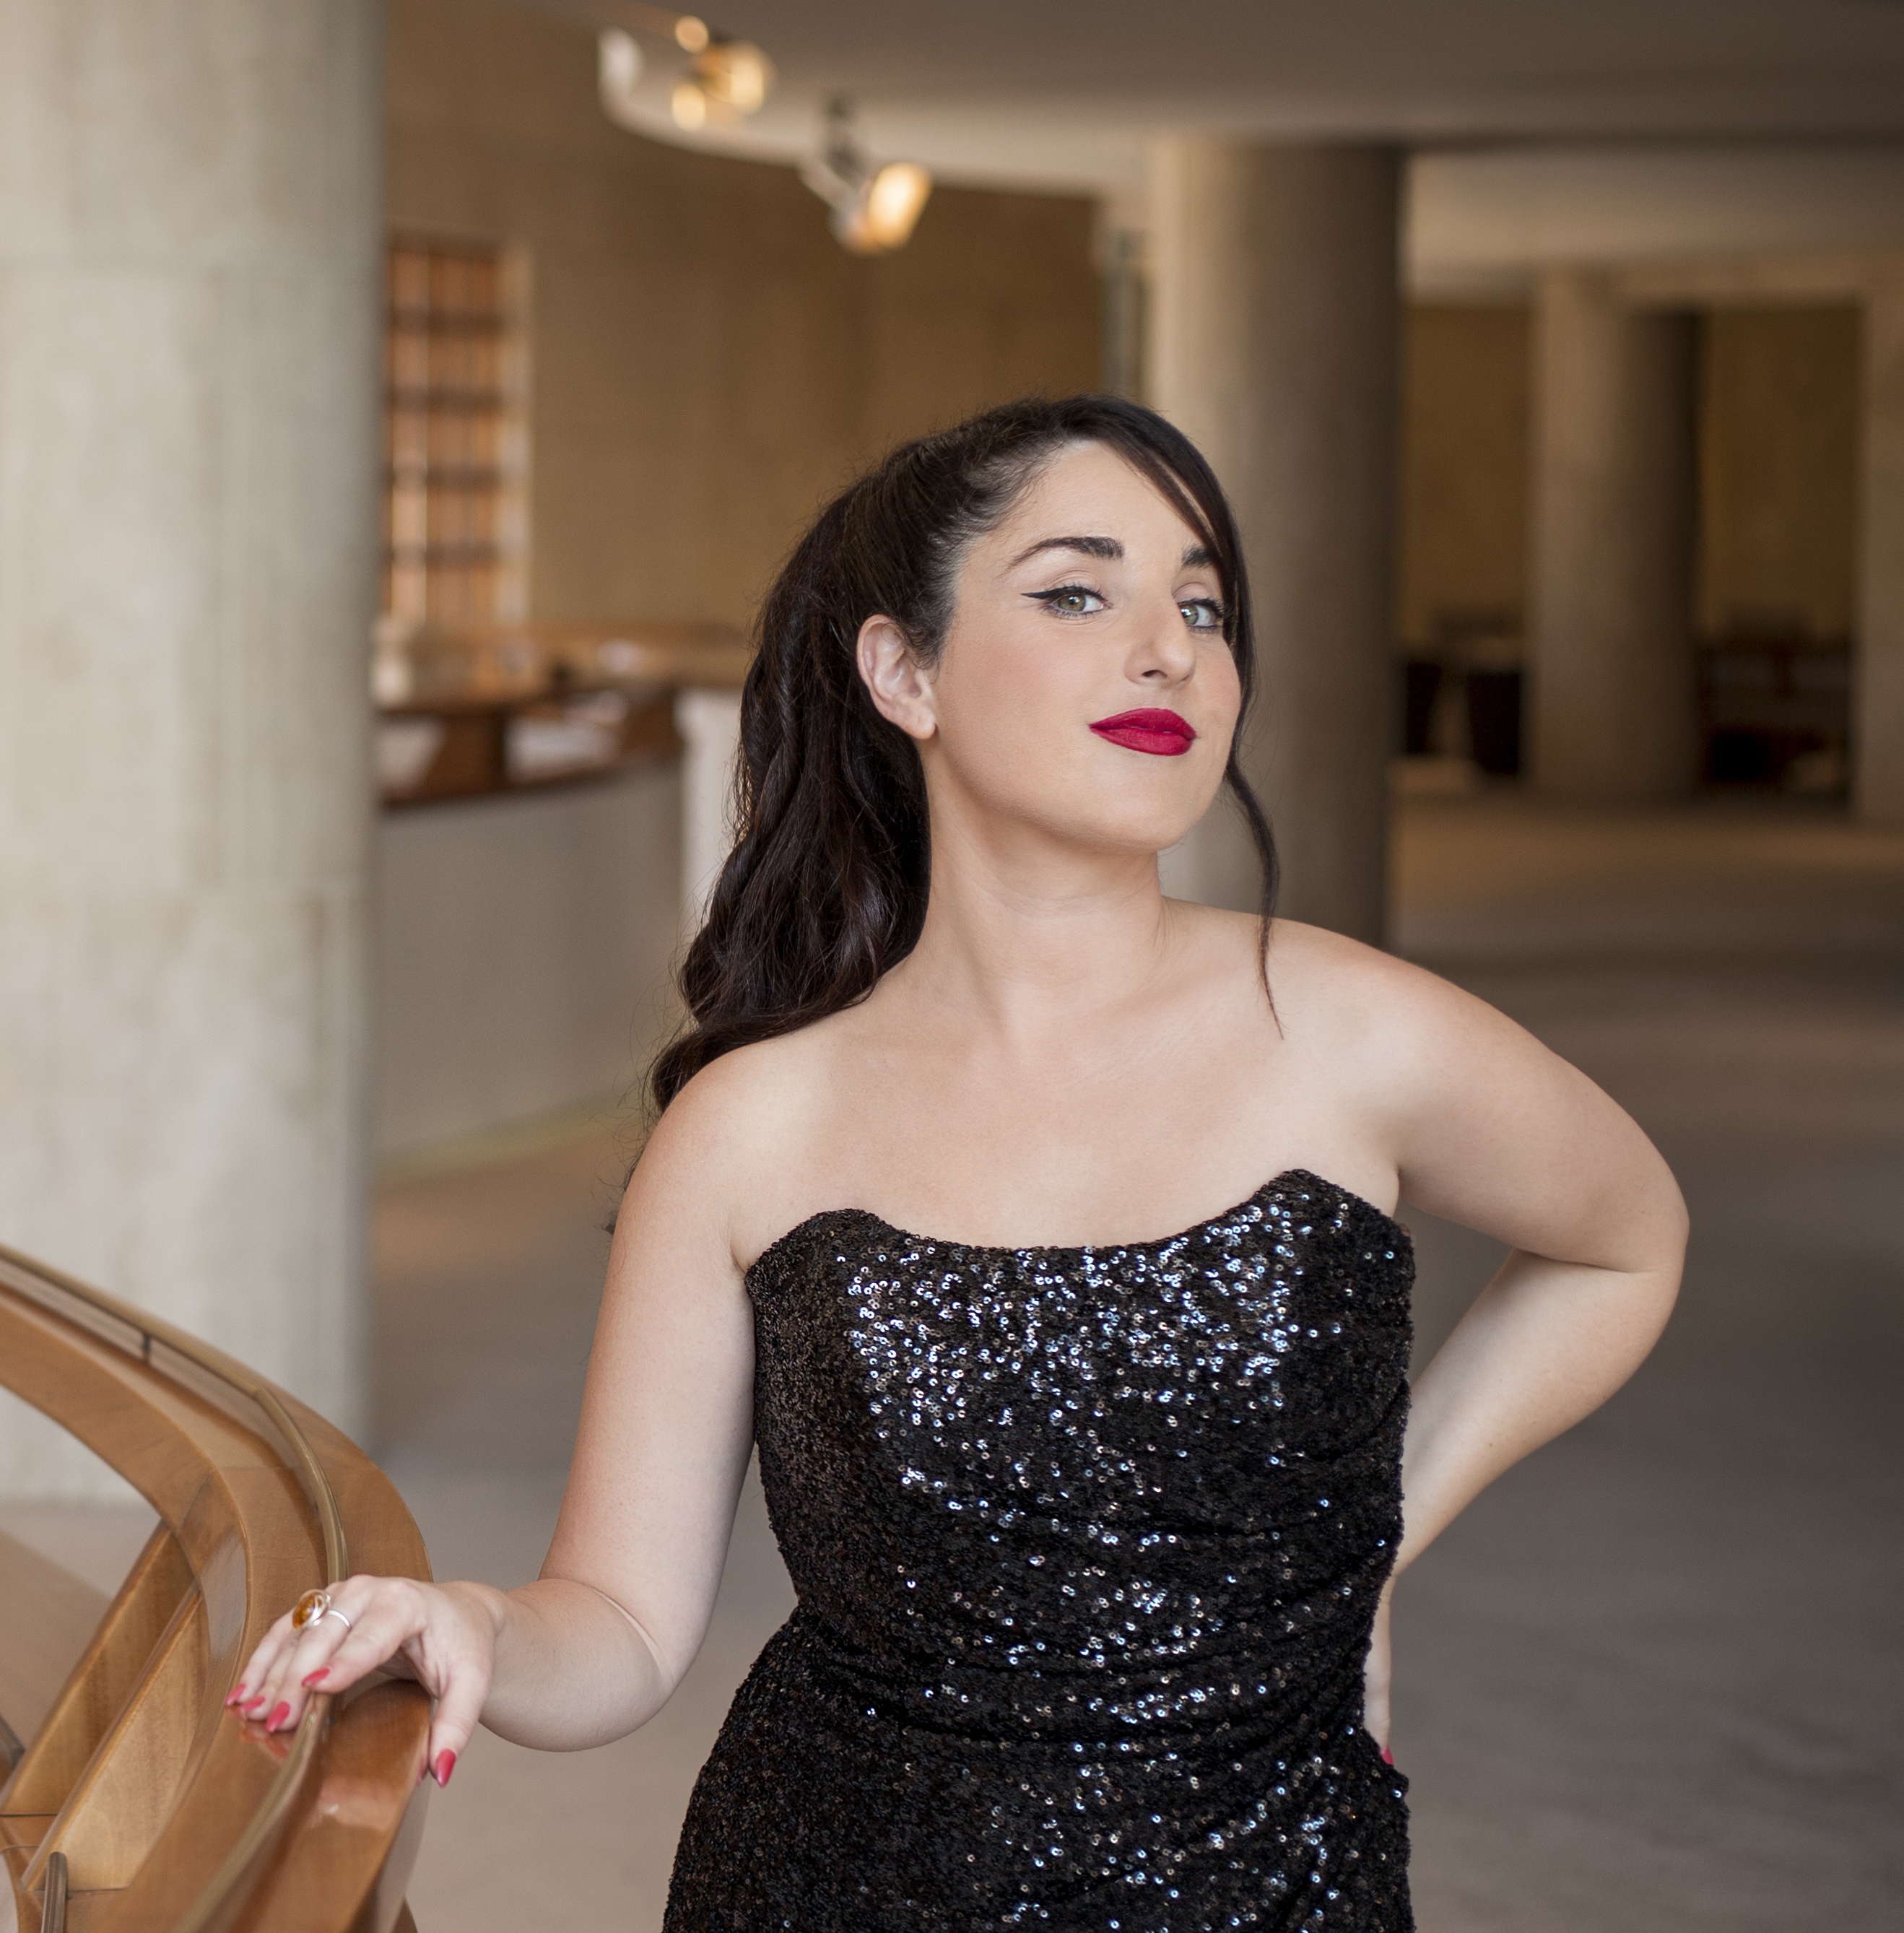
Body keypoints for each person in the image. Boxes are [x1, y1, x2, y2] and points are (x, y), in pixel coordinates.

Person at [234, 396, 1685, 1930]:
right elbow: (622, 1622)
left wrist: (1375, 1538)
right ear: (903, 671)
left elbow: (1623, 1239)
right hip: (828, 1880)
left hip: (1272, 1882)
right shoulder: (751, 1126)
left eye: (1201, 606)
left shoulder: (1352, 1032)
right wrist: (468, 1616)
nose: (1168, 650)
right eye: (1077, 593)